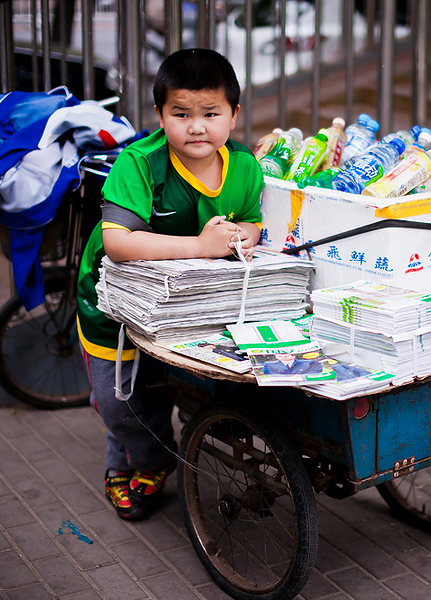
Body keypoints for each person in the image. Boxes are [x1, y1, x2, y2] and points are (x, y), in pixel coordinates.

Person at [75, 48, 263, 520]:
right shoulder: (139, 163)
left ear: (234, 116)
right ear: (160, 115)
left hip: (188, 302)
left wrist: (242, 237)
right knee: (119, 402)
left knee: (167, 387)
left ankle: (147, 450)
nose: (196, 127)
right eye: (181, 114)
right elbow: (119, 244)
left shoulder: (243, 165)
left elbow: (254, 222)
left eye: (211, 113)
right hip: (111, 302)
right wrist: (203, 244)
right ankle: (149, 458)